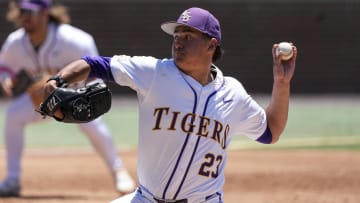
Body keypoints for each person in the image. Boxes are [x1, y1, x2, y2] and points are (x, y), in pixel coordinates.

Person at [43, 7, 297, 203]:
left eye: (188, 36)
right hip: (145, 198)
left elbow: (270, 131)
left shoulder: (233, 93)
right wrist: (58, 80)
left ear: (211, 45)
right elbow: (96, 64)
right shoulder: (155, 72)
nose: (178, 41)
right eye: (176, 35)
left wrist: (282, 83)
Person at [0, 0, 135, 197]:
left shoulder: (75, 40)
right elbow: (4, 66)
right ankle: (12, 180)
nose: (25, 16)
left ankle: (119, 171)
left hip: (77, 96)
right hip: (42, 100)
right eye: (22, 11)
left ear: (46, 13)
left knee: (92, 124)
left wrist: (68, 90)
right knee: (13, 115)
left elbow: (97, 74)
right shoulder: (16, 42)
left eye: (31, 11)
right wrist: (5, 79)